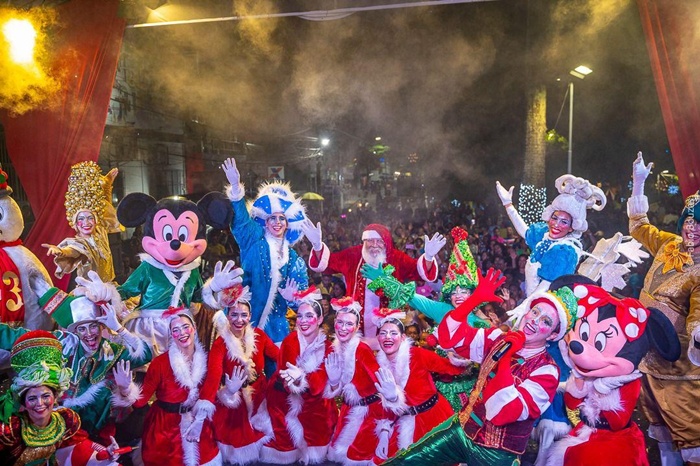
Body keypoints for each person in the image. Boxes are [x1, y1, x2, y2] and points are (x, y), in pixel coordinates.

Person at [382, 281, 579, 466]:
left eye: (546, 320)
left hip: (496, 455)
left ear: (553, 334)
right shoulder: (498, 338)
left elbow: (502, 412)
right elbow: (449, 338)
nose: (534, 321)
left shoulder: (547, 371)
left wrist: (506, 355)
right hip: (461, 430)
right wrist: (473, 300)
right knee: (404, 462)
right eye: (535, 311)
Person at [1, 288, 152, 444]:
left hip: (95, 420)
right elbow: (17, 337)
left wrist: (118, 327)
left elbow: (146, 353)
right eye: (82, 328)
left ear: (101, 327)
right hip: (57, 416)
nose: (88, 333)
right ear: (76, 331)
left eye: (93, 326)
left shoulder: (110, 352)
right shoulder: (63, 342)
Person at [627, 152, 700, 466]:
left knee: (691, 438)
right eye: (689, 221)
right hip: (647, 358)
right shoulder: (669, 244)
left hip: (678, 370)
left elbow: (698, 311)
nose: (692, 229)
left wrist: (698, 330)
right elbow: (639, 226)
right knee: (659, 432)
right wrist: (639, 184)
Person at [303, 220, 446, 349]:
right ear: (364, 241)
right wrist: (317, 245)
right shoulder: (353, 255)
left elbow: (419, 271)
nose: (374, 245)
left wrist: (428, 257)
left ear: (386, 242)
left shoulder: (396, 258)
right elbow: (327, 264)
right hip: (355, 327)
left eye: (379, 241)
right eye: (370, 241)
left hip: (387, 328)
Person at [114, 309, 222, 466]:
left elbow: (210, 392)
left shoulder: (207, 360)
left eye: (185, 327)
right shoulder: (160, 364)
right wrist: (126, 388)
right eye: (175, 330)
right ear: (171, 335)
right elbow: (140, 402)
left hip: (198, 423)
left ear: (194, 328)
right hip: (164, 427)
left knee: (205, 458)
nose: (182, 333)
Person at [222, 158, 310, 344]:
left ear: (288, 224)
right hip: (245, 320)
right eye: (272, 218)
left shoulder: (294, 259)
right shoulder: (254, 239)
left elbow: (302, 298)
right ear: (265, 222)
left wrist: (292, 298)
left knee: (276, 370)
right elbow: (242, 222)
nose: (277, 222)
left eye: (282, 219)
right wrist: (236, 188)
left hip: (277, 329)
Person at [0, 330, 121, 465]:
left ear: (55, 396)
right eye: (32, 398)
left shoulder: (65, 420)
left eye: (46, 396)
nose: (40, 403)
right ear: (23, 402)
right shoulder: (11, 428)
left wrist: (105, 454)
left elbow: (81, 448)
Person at [195, 284, 279, 464]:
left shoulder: (259, 336)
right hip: (235, 400)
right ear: (227, 316)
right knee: (241, 444)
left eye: (244, 315)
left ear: (250, 316)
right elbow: (213, 378)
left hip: (260, 395)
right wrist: (208, 406)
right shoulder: (220, 344)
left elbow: (280, 355)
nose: (239, 320)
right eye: (234, 314)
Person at [256, 289, 336, 464]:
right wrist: (300, 380)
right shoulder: (290, 341)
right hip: (282, 403)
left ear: (320, 319)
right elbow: (286, 384)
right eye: (300, 316)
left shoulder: (328, 347)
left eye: (309, 316)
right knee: (284, 448)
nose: (303, 321)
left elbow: (318, 386)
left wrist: (305, 378)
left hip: (314, 405)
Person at [372, 308, 464, 460]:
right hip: (402, 420)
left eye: (393, 333)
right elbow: (383, 404)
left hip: (433, 417)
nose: (388, 337)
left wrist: (459, 355)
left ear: (402, 337)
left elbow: (451, 367)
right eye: (383, 333)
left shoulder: (417, 354)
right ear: (378, 338)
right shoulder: (379, 364)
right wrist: (384, 431)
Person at [496, 175, 606, 296]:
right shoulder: (543, 236)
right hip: (532, 303)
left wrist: (526, 306)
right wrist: (508, 204)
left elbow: (546, 285)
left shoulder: (566, 250)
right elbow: (525, 232)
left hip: (547, 306)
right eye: (555, 218)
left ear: (571, 228)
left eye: (564, 222)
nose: (556, 225)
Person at [322, 297, 388, 465]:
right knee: (335, 455)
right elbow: (332, 389)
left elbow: (382, 387)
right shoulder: (333, 348)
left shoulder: (362, 350)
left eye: (349, 324)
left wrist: (385, 428)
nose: (343, 328)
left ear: (357, 327)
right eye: (340, 322)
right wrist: (334, 382)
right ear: (334, 323)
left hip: (369, 414)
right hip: (348, 410)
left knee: (356, 457)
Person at [43, 162, 123, 283]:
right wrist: (61, 251)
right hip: (90, 293)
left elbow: (106, 208)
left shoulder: (100, 232)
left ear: (96, 220)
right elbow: (72, 250)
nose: (86, 222)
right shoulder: (79, 243)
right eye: (80, 219)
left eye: (90, 217)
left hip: (110, 286)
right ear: (75, 223)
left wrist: (107, 186)